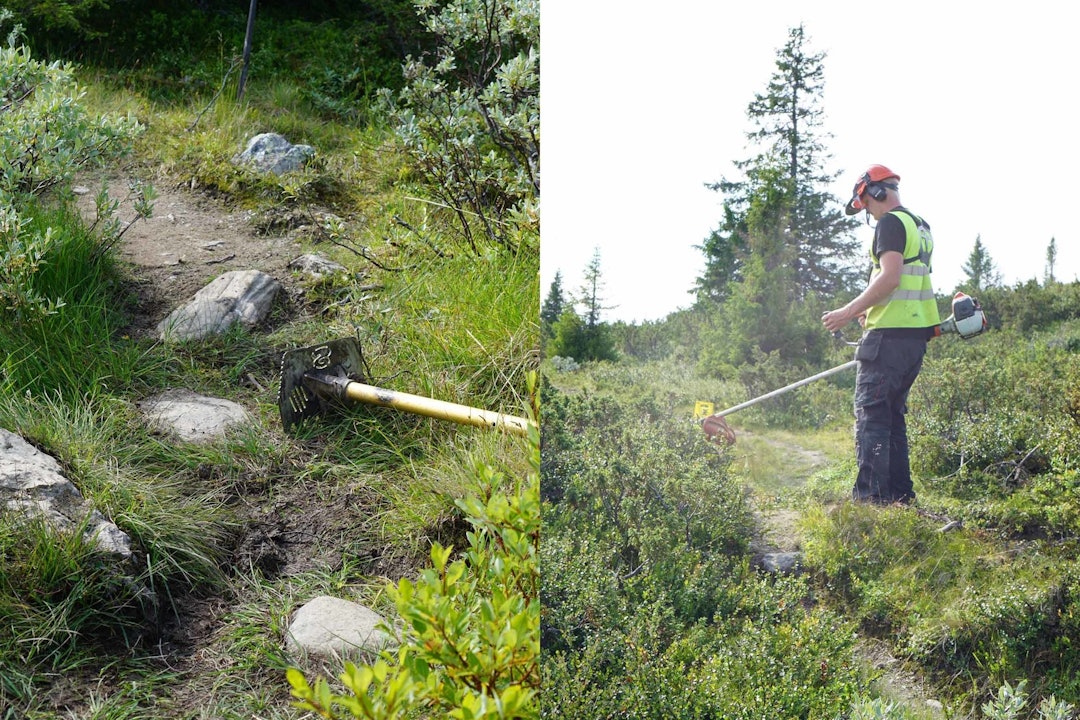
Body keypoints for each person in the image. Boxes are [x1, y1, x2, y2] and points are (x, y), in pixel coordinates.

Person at [821, 164, 940, 505]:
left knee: (871, 418)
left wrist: (847, 312)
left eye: (868, 205)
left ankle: (870, 502)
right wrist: (867, 309)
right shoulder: (920, 225)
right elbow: (901, 281)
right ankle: (901, 498)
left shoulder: (890, 222)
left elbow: (890, 278)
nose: (869, 214)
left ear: (876, 192)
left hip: (887, 339)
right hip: (913, 339)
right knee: (892, 420)